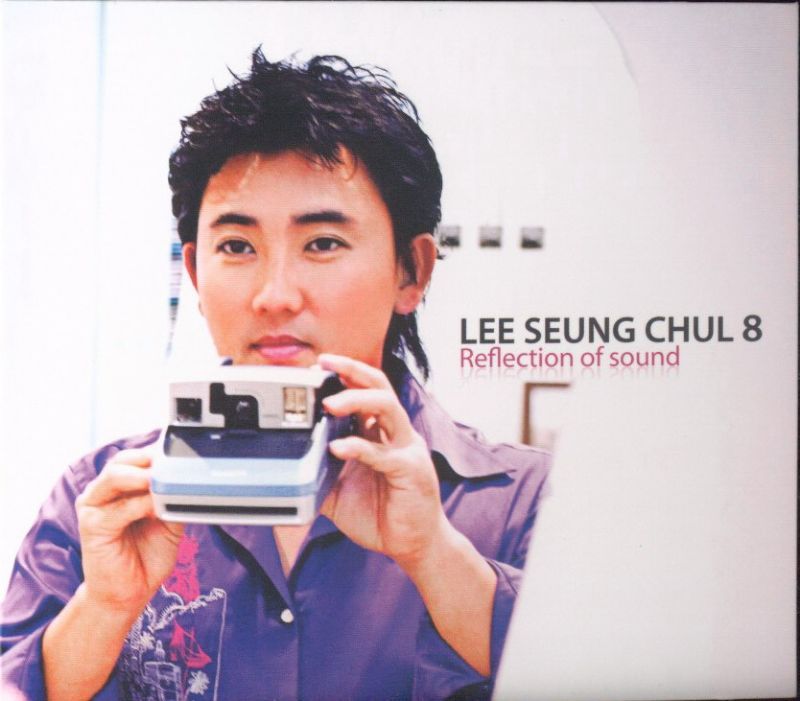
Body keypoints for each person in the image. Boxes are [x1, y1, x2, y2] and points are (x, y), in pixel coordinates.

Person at [1, 49, 549, 701]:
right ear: (196, 274)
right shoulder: (103, 501)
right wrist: (105, 607)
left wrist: (435, 556)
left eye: (322, 243)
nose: (275, 295)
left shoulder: (528, 504)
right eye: (237, 246)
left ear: (413, 271)